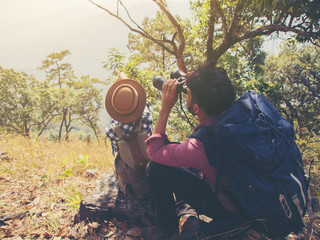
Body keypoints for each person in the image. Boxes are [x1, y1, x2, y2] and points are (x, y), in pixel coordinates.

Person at [144, 61, 238, 239]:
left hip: (226, 208)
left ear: (196, 108)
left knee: (154, 168)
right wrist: (197, 82)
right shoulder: (235, 113)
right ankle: (186, 212)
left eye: (189, 95)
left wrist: (165, 107)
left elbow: (154, 152)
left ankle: (168, 231)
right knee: (177, 150)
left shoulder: (199, 147)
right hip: (246, 197)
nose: (186, 96)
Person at [105, 72, 153, 156]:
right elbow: (144, 103)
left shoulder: (111, 131)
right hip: (148, 164)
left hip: (125, 168)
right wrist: (126, 82)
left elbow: (115, 121)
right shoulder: (147, 117)